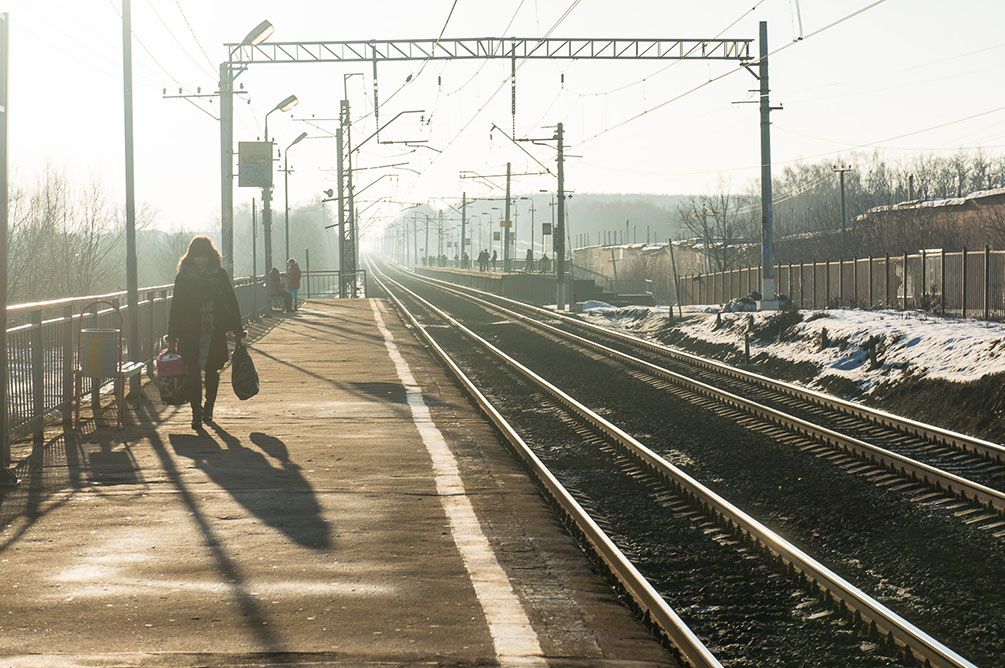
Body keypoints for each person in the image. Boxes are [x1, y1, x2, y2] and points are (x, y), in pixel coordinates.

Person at [168, 236, 244, 430]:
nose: (200, 260)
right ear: (191, 257)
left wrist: (237, 329)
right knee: (193, 372)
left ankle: (208, 407)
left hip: (214, 330)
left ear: (210, 256)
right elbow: (176, 307)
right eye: (197, 257)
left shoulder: (220, 275)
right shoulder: (183, 277)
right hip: (190, 331)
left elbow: (231, 301)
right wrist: (172, 335)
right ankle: (196, 412)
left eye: (204, 256)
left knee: (212, 371)